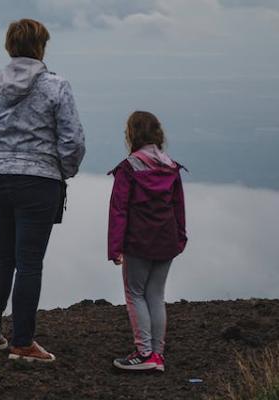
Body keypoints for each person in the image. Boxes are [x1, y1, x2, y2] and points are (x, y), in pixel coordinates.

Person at [0, 18, 85, 362]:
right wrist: (60, 171)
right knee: (29, 263)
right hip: (38, 181)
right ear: (41, 47)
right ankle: (23, 343)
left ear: (10, 46)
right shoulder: (56, 86)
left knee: (2, 255)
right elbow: (73, 140)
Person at [107, 111, 187, 372]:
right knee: (156, 295)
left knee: (135, 294)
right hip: (166, 241)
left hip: (138, 243)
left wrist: (115, 247)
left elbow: (119, 210)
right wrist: (180, 238)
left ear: (132, 135)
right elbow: (178, 207)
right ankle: (157, 355)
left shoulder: (128, 169)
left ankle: (144, 354)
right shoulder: (171, 167)